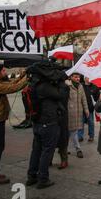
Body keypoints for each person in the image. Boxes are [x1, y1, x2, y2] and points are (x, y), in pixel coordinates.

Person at [0, 63, 28, 184]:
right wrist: (28, 79)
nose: (5, 72)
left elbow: (10, 84)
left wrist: (23, 75)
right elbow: (13, 88)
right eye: (3, 70)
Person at [25, 60, 67, 189]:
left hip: (37, 123)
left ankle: (32, 176)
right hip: (48, 123)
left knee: (36, 150)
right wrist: (62, 82)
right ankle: (43, 179)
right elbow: (62, 95)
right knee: (47, 151)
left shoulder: (34, 83)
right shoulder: (45, 87)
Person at [66, 73, 89, 159]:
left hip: (78, 112)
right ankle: (77, 149)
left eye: (78, 77)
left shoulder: (80, 86)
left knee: (73, 131)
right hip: (69, 113)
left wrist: (86, 110)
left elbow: (84, 99)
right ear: (71, 77)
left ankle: (66, 148)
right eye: (75, 77)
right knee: (71, 131)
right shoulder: (67, 85)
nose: (78, 79)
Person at [78, 76, 100, 142]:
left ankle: (91, 136)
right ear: (85, 78)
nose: (89, 79)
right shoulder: (80, 86)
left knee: (91, 123)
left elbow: (97, 98)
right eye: (88, 77)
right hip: (81, 108)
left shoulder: (95, 87)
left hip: (90, 109)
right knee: (80, 123)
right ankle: (80, 136)